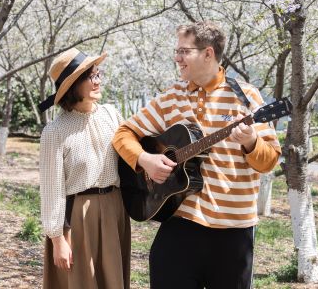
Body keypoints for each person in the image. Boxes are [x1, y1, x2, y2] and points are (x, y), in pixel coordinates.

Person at [112, 21, 281, 289]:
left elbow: (269, 160)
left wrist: (251, 141)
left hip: (233, 234)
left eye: (183, 51)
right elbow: (123, 133)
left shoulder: (246, 97)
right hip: (181, 225)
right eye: (176, 50)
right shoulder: (172, 96)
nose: (176, 58)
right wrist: (146, 160)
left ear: (208, 53)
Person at [38, 48, 130, 289]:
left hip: (115, 209)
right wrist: (58, 239)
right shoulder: (55, 131)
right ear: (73, 85)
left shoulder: (112, 115)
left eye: (98, 74)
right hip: (77, 217)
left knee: (112, 281)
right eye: (91, 76)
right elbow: (52, 190)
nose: (98, 80)